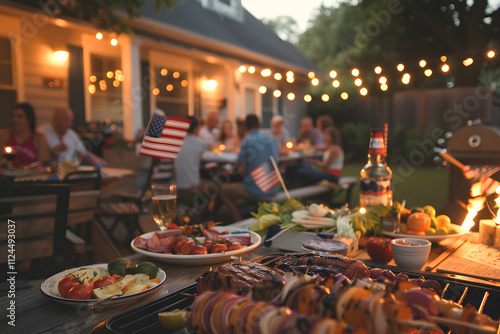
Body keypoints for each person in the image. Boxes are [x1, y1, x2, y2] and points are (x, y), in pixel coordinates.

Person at [220, 114, 279, 221]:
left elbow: (242, 171)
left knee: (223, 192)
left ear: (245, 127)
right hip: (273, 186)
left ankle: (239, 220)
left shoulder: (246, 142)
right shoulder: (272, 140)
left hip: (256, 189)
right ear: (260, 125)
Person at [39, 106, 106, 166]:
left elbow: (83, 152)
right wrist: (52, 152)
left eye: (70, 121)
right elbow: (36, 159)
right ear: (55, 119)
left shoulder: (71, 134)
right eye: (66, 121)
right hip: (49, 173)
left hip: (71, 173)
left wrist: (98, 160)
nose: (69, 124)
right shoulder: (41, 133)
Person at [0, 102, 50, 168]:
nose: (15, 119)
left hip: (30, 176)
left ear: (29, 120)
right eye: (13, 116)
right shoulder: (4, 134)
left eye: (20, 117)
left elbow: (41, 163)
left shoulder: (39, 138)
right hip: (7, 175)